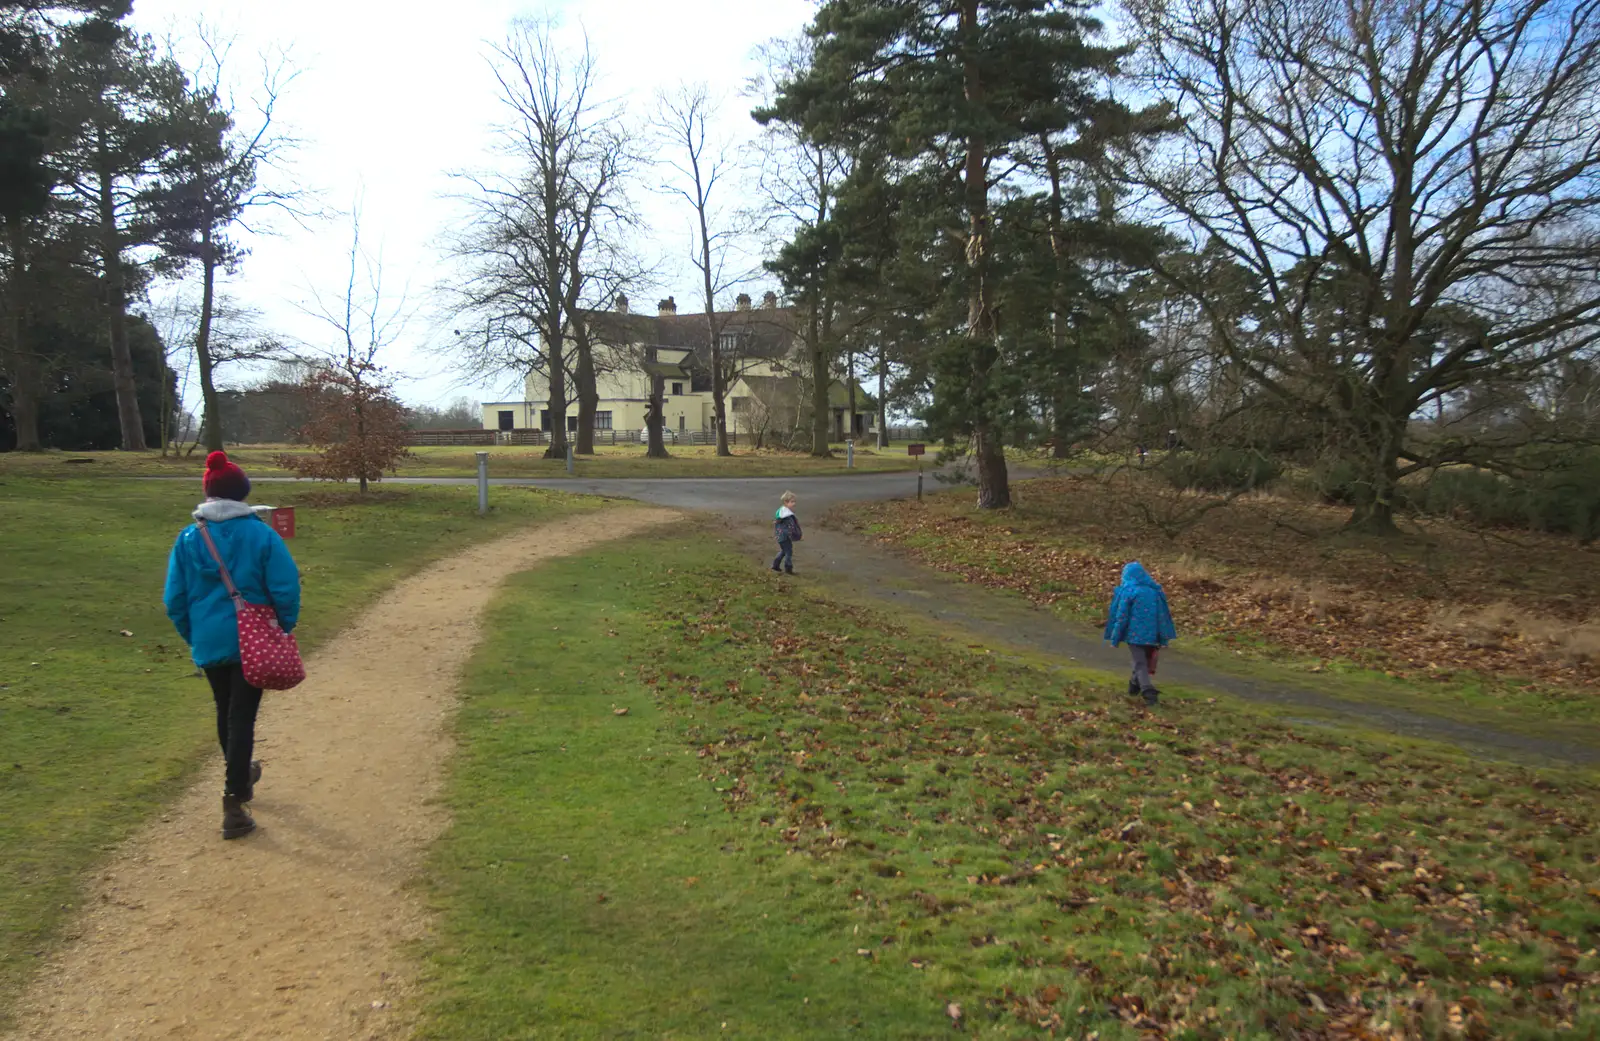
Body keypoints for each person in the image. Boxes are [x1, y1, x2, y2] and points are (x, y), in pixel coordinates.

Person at [164, 451, 301, 839]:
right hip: (253, 638)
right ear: (242, 494)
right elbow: (285, 587)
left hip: (210, 638)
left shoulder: (189, 538)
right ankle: (234, 799)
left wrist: (194, 635)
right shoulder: (261, 534)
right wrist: (283, 627)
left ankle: (240, 778)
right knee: (242, 716)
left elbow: (174, 598)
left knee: (226, 711)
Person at [1103, 561, 1177, 707]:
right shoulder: (1154, 592)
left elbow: (1121, 616)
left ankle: (1148, 691)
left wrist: (1115, 638)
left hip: (1134, 635)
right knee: (1142, 661)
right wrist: (1163, 637)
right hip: (1153, 635)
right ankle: (1133, 686)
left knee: (1140, 663)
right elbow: (1162, 616)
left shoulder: (1129, 592)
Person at [771, 491, 802, 575]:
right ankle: (788, 568)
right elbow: (791, 526)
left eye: (794, 501)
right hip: (784, 536)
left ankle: (775, 565)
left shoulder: (781, 512)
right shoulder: (786, 515)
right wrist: (795, 534)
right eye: (792, 502)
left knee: (784, 551)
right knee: (788, 552)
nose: (794, 503)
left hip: (780, 535)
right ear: (785, 502)